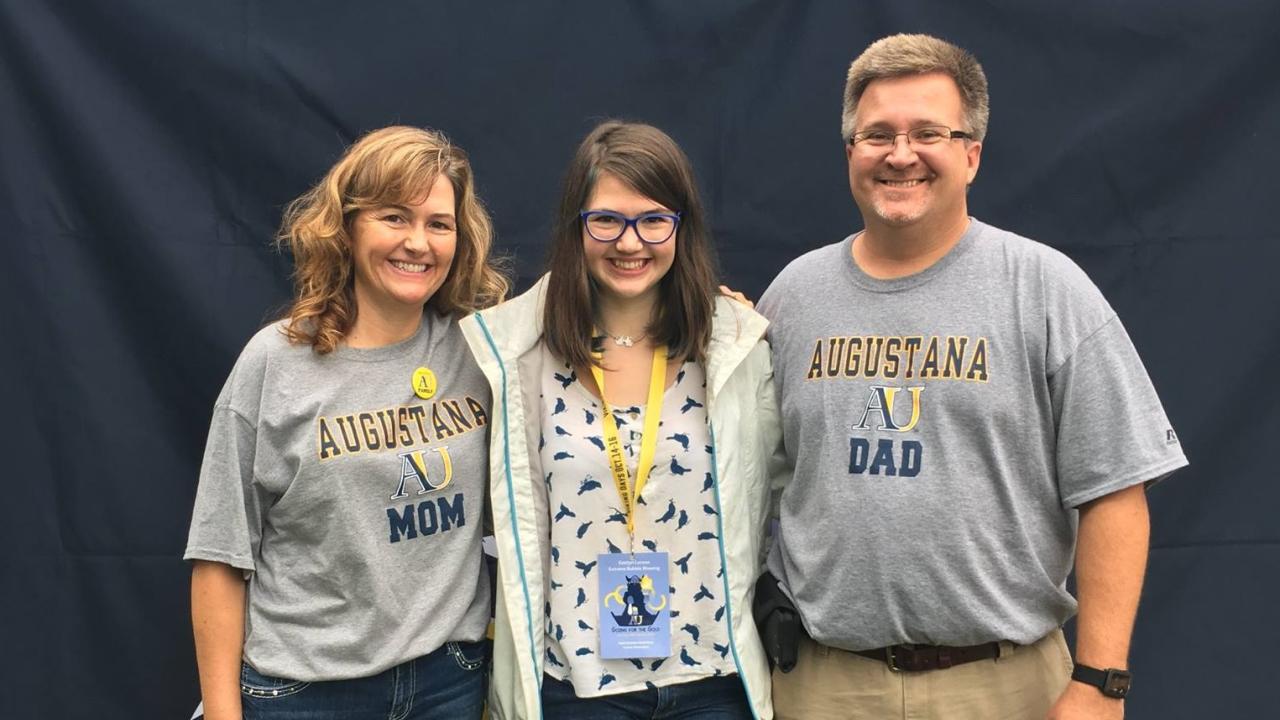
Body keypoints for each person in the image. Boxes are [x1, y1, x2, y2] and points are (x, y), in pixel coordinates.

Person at [755, 34, 1188, 720]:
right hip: (823, 685)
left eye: (929, 131)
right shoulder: (791, 298)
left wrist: (1101, 682)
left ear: (972, 153)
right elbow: (743, 475)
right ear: (850, 153)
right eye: (877, 135)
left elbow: (1116, 490)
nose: (901, 155)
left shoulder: (1045, 289)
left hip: (1004, 686)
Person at [460, 120, 785, 719]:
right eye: (606, 220)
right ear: (574, 226)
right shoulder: (515, 355)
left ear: (681, 227)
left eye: (653, 219)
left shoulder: (736, 347)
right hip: (575, 688)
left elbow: (786, 487)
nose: (630, 243)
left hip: (713, 682)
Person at [184, 125, 509, 720]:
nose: (418, 243)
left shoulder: (483, 351)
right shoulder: (275, 363)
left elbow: (608, 323)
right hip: (305, 694)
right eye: (394, 217)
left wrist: (713, 316)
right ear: (348, 226)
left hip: (450, 684)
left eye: (439, 223)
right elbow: (218, 558)